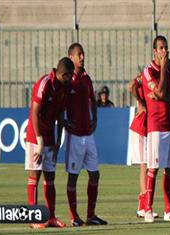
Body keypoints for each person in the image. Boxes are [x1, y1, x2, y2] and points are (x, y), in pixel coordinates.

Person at [25, 57, 74, 228]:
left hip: (50, 138)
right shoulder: (45, 83)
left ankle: (51, 216)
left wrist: (58, 139)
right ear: (63, 74)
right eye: (70, 76)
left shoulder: (64, 89)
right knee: (34, 175)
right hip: (35, 136)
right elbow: (35, 113)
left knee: (50, 177)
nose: (71, 79)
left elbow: (61, 115)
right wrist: (39, 141)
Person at [140, 35, 170, 223]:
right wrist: (164, 70)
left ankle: (168, 210)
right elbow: (159, 90)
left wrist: (162, 95)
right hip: (155, 126)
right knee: (154, 168)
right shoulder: (148, 71)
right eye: (161, 48)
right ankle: (148, 209)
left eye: (166, 47)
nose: (165, 51)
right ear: (155, 51)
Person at [65, 43, 107, 226]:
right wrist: (64, 122)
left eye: (83, 54)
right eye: (79, 54)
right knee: (73, 176)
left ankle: (91, 215)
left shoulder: (86, 79)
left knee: (95, 174)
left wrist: (95, 118)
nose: (82, 57)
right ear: (71, 57)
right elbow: (60, 103)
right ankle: (74, 216)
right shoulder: (68, 80)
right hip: (74, 136)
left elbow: (92, 100)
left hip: (88, 135)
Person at [128, 74, 158, 219]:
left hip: (148, 130)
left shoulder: (158, 79)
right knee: (144, 167)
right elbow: (131, 86)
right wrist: (140, 102)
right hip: (139, 129)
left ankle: (144, 205)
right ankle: (142, 206)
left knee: (149, 167)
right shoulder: (145, 76)